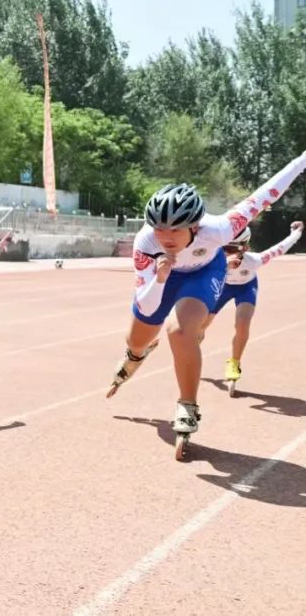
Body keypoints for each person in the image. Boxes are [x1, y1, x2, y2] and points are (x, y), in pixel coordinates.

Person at [107, 150, 306, 455]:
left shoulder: (220, 228)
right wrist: (160, 278)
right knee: (136, 339)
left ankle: (187, 405)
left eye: (175, 229)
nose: (166, 236)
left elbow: (267, 192)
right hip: (162, 276)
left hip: (204, 272)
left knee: (180, 330)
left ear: (196, 227)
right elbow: (147, 306)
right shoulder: (146, 245)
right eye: (160, 228)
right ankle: (137, 355)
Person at [203, 221, 303, 394]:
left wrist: (297, 232)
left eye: (233, 249)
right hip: (223, 288)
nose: (227, 252)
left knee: (243, 323)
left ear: (245, 248)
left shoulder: (255, 260)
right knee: (201, 326)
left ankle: (234, 363)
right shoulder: (213, 258)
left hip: (246, 288)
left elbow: (281, 247)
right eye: (224, 247)